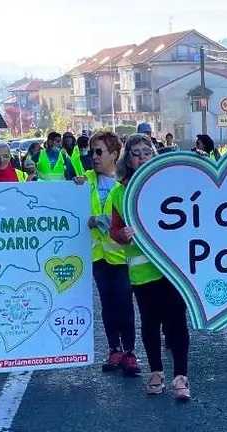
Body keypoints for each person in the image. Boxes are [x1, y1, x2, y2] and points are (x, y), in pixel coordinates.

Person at [109, 133, 192, 401]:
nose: (142, 155)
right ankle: (156, 373)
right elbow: (115, 230)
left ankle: (181, 377)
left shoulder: (170, 184)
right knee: (150, 322)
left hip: (172, 267)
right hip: (143, 270)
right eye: (136, 152)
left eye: (147, 151)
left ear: (154, 154)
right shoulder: (119, 191)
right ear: (127, 158)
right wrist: (122, 236)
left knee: (177, 320)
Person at [74, 131, 139, 377]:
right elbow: (72, 208)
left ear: (114, 154)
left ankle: (130, 353)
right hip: (98, 256)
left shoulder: (124, 182)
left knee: (124, 305)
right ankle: (115, 350)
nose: (94, 157)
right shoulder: (85, 180)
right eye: (92, 152)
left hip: (122, 255)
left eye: (99, 152)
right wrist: (75, 189)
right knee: (108, 305)